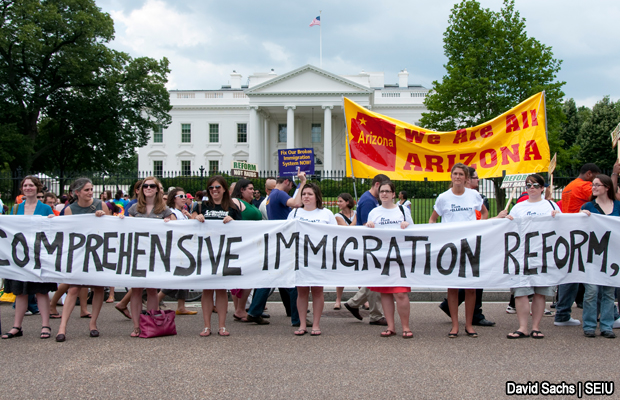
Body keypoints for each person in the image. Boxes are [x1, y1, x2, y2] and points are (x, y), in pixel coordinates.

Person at [429, 163, 488, 338]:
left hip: (470, 246)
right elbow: (433, 219)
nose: (457, 177)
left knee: (471, 288)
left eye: (461, 174)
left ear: (466, 178)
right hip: (450, 248)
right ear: (451, 176)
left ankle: (469, 325)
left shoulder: (474, 195)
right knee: (453, 287)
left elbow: (484, 213)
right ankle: (455, 325)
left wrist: (479, 227)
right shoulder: (443, 198)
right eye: (455, 173)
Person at [499, 174, 560, 339]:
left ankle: (536, 327)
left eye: (535, 185)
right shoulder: (519, 207)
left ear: (542, 188)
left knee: (540, 292)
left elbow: (562, 227)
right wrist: (508, 219)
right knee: (521, 291)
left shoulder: (551, 205)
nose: (531, 187)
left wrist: (557, 217)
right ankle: (522, 327)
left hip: (543, 254)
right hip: (522, 254)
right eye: (528, 185)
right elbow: (510, 229)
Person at [246, 172, 306, 326]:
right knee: (292, 279)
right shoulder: (279, 194)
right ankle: (297, 318)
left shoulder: (272, 195)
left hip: (278, 239)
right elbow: (296, 204)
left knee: (270, 276)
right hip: (285, 240)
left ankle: (254, 310)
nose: (291, 188)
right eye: (292, 185)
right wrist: (303, 182)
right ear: (286, 181)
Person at [55, 178, 111, 342]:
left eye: (91, 189)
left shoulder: (101, 205)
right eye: (86, 190)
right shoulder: (69, 209)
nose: (90, 192)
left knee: (98, 288)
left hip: (98, 252)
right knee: (73, 288)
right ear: (77, 192)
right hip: (79, 253)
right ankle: (62, 327)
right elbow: (66, 232)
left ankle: (93, 323)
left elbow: (112, 229)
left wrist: (102, 218)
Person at [2, 176, 56, 340]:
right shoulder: (16, 208)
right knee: (20, 292)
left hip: (39, 256)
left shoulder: (46, 208)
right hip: (20, 257)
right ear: (22, 188)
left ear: (37, 188)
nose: (28, 188)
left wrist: (53, 220)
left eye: (31, 185)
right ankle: (16, 327)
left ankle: (45, 325)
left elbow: (53, 229)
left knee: (41, 291)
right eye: (25, 185)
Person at [122, 177, 176, 337]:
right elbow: (124, 226)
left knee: (152, 290)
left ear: (158, 189)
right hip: (137, 253)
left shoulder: (164, 210)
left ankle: (151, 323)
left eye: (152, 186)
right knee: (136, 290)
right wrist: (121, 220)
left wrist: (169, 223)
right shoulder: (133, 209)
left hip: (155, 254)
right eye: (145, 185)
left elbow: (177, 228)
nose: (148, 188)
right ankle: (137, 326)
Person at [193, 175, 241, 336]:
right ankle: (207, 326)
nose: (214, 190)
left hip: (224, 252)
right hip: (206, 252)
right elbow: (190, 223)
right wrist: (197, 218)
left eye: (217, 187)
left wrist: (232, 220)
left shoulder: (232, 207)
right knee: (207, 290)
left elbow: (243, 228)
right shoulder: (202, 206)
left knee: (221, 290)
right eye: (211, 188)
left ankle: (222, 326)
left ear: (224, 189)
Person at [365, 181, 414, 338]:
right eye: (381, 191)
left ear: (393, 194)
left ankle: (405, 327)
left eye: (387, 191)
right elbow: (368, 235)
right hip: (382, 257)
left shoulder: (402, 210)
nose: (384, 194)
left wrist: (407, 224)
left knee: (400, 293)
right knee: (385, 293)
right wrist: (369, 225)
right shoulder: (374, 212)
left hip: (400, 257)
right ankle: (391, 327)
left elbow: (413, 230)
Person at [555, 163, 601, 327]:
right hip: (583, 232)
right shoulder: (584, 186)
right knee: (595, 272)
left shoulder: (570, 185)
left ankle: (562, 313)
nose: (595, 184)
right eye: (595, 179)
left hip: (570, 232)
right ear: (589, 174)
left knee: (571, 274)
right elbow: (603, 196)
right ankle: (604, 313)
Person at [287, 183, 337, 336]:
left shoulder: (326, 213)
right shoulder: (295, 213)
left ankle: (316, 324)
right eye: (304, 194)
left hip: (319, 258)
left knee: (317, 290)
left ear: (317, 196)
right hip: (300, 257)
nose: (306, 197)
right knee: (301, 291)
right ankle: (302, 324)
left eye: (309, 194)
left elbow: (336, 234)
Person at [343, 174, 388, 326]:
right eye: (382, 189)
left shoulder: (369, 199)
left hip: (370, 244)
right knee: (375, 278)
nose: (384, 193)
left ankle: (354, 303)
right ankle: (375, 315)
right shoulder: (369, 201)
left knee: (374, 278)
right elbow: (366, 225)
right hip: (369, 245)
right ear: (377, 185)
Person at [580, 174, 619, 338]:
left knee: (609, 293)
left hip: (612, 256)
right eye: (593, 185)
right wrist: (582, 216)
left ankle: (606, 326)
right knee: (591, 291)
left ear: (607, 187)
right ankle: (589, 325)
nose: (593, 187)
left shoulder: (617, 206)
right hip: (592, 255)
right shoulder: (588, 206)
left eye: (597, 185)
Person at [156, 187, 197, 316]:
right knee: (178, 278)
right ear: (174, 198)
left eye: (185, 195)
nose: (184, 198)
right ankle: (156, 300)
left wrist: (190, 217)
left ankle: (181, 306)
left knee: (185, 278)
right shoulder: (172, 213)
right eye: (181, 196)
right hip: (177, 250)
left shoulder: (183, 213)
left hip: (184, 249)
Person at [230, 179, 263, 322]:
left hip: (251, 243)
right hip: (243, 244)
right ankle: (240, 309)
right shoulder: (236, 201)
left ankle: (239, 309)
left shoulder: (249, 204)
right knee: (250, 277)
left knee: (243, 277)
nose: (253, 191)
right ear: (242, 190)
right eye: (250, 188)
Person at [333, 193, 357, 309]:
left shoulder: (356, 213)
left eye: (341, 201)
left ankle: (363, 299)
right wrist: (355, 221)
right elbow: (348, 229)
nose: (338, 203)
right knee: (341, 273)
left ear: (347, 202)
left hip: (356, 246)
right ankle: (338, 299)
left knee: (358, 272)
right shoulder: (337, 216)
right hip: (343, 246)